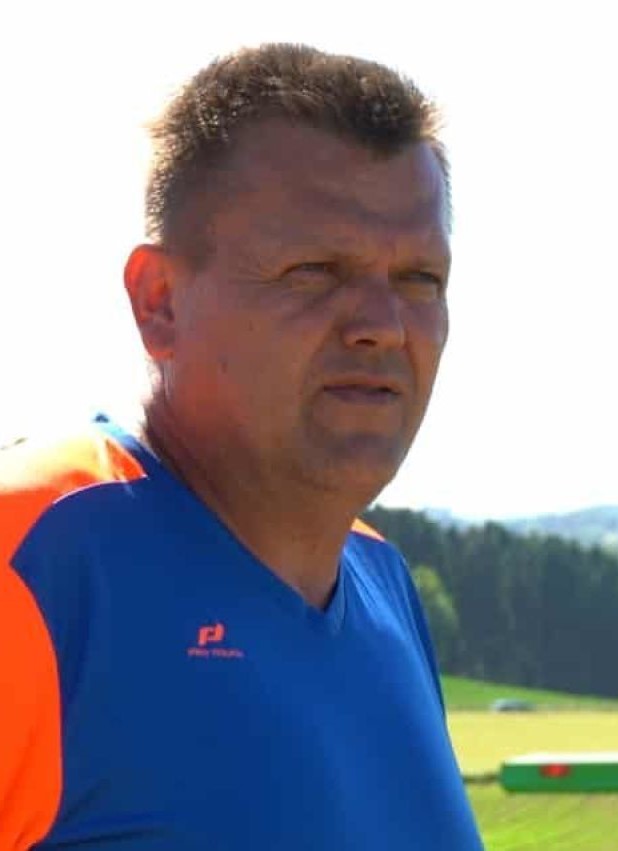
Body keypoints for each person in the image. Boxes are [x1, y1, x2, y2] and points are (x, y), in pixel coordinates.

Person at [0, 43, 484, 850]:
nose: (382, 325)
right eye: (313, 270)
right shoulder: (37, 559)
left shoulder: (382, 583)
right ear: (159, 303)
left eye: (419, 279)